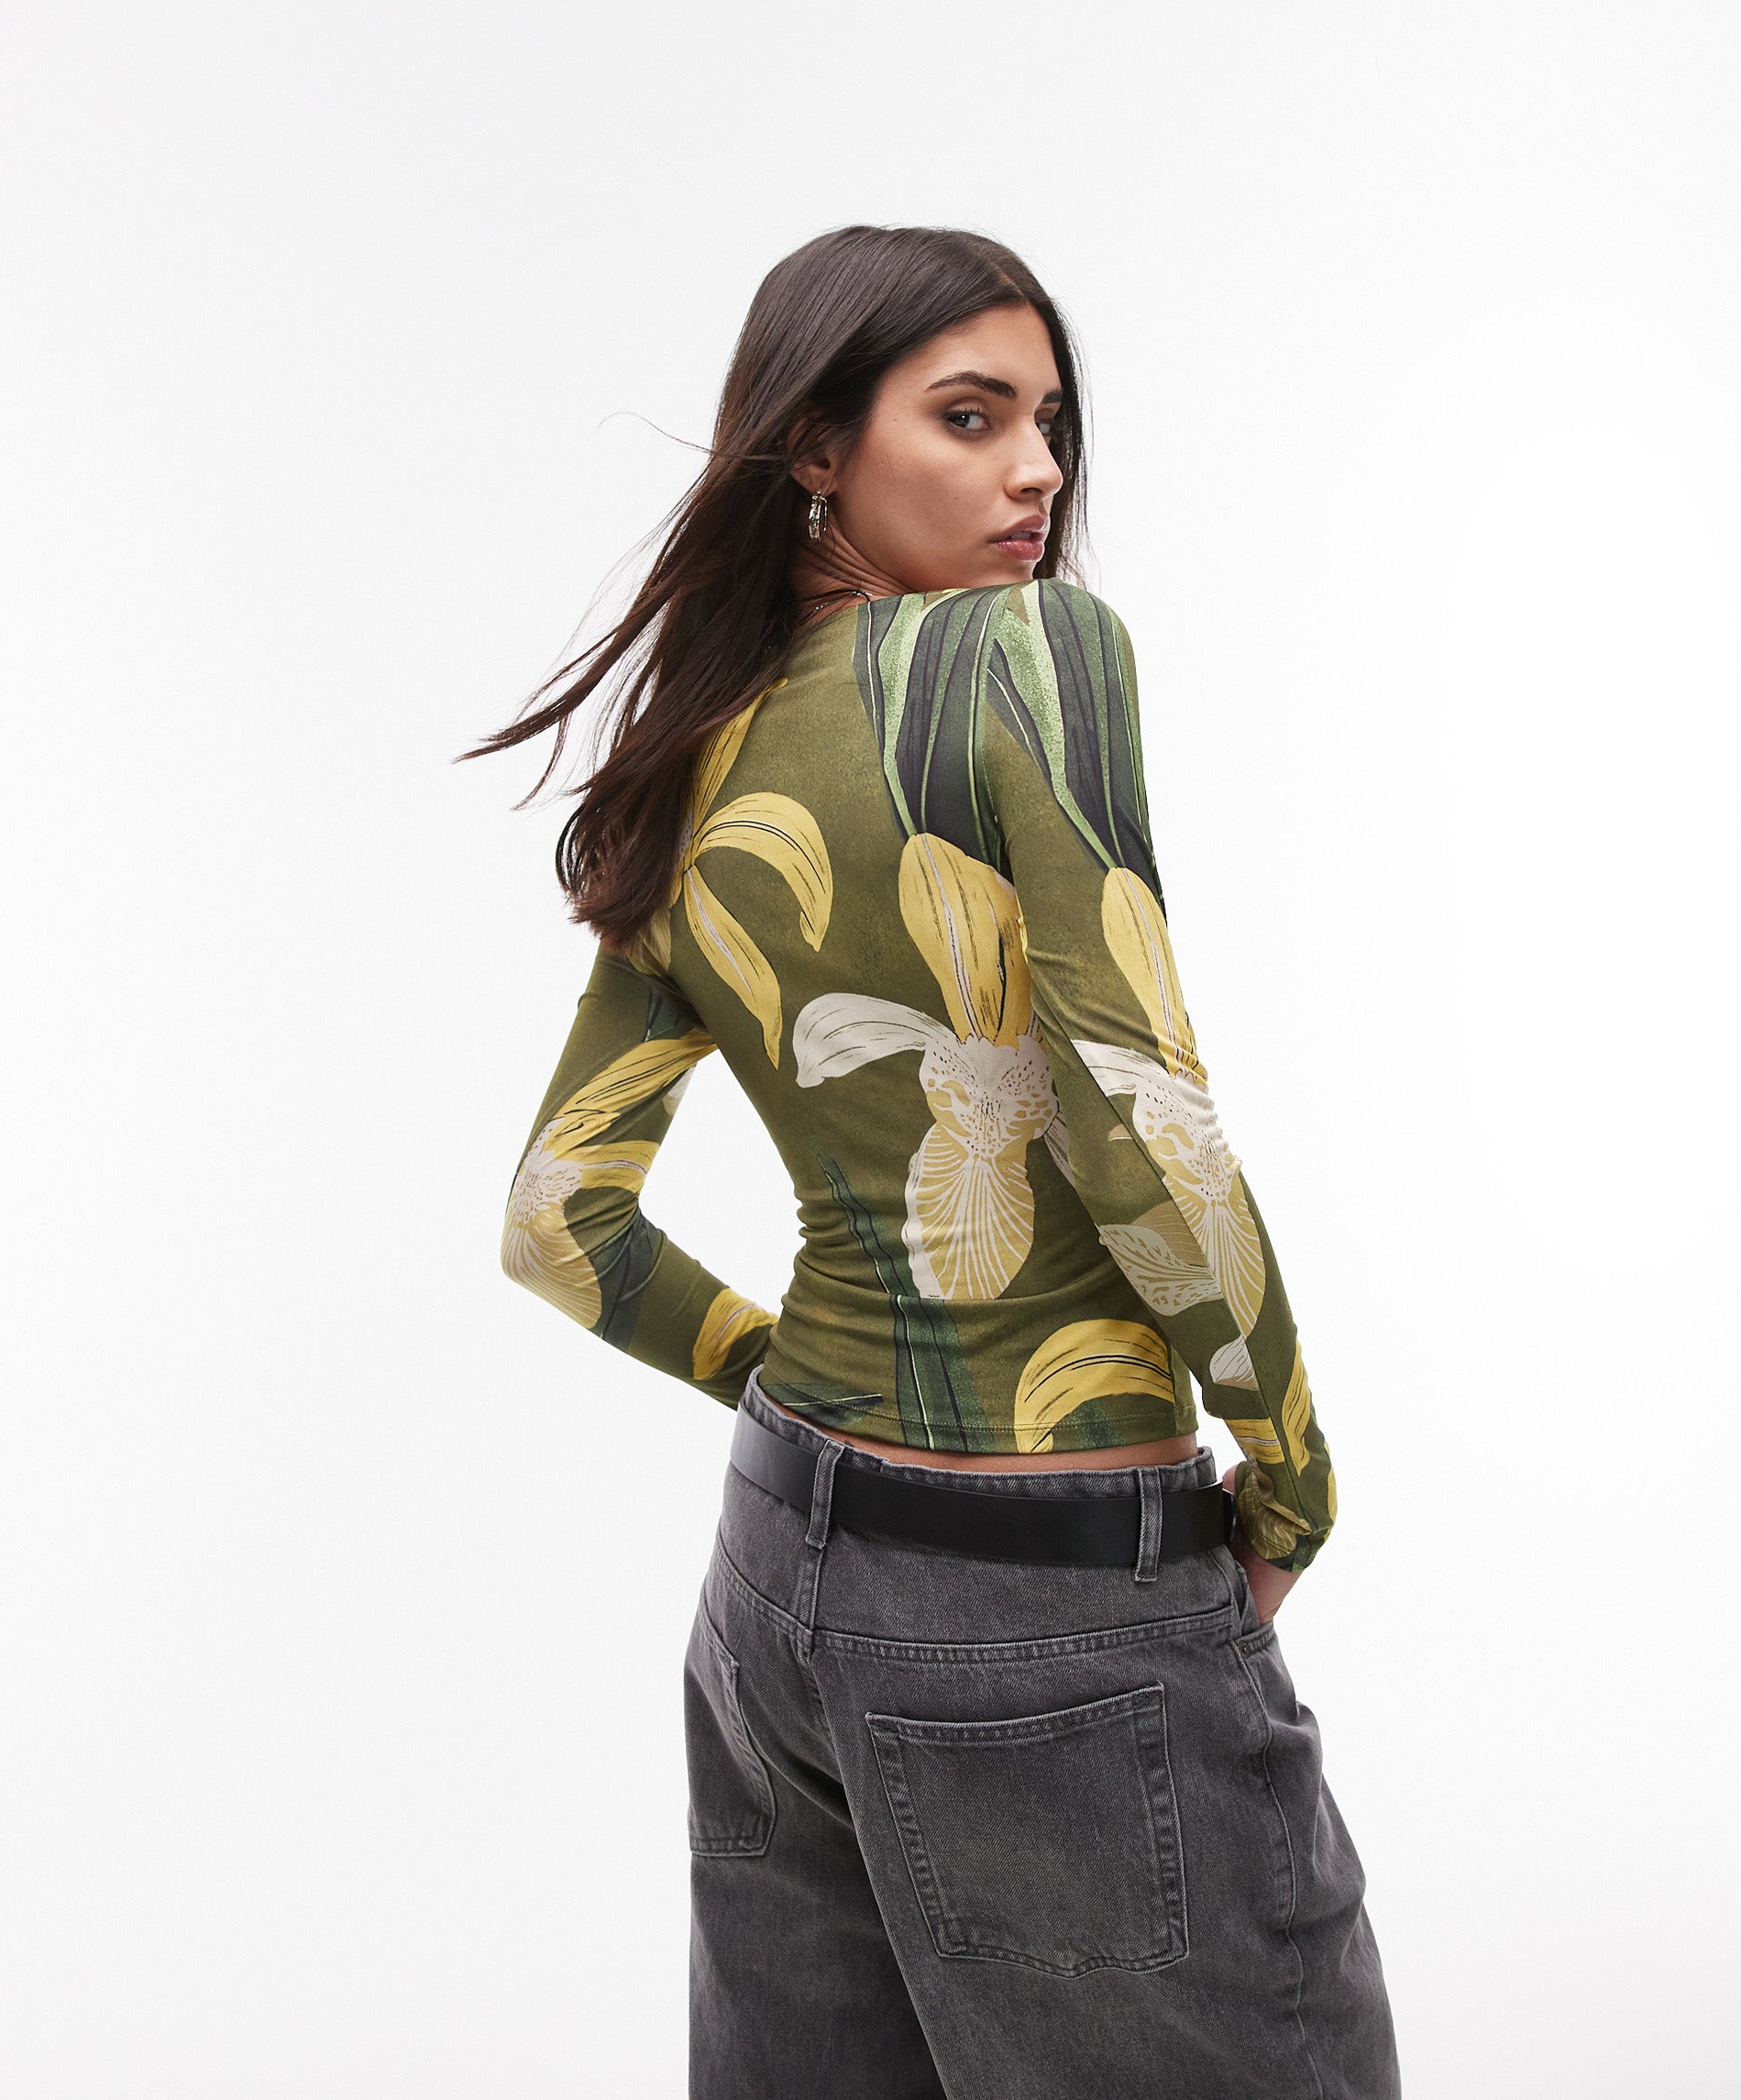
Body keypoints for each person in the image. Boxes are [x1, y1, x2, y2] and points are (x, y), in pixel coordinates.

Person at [464, 226, 1398, 2098]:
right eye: (969, 418)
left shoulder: (695, 751)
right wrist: (1288, 1465)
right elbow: (1131, 1099)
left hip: (775, 1594)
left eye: (1047, 421)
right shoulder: (1030, 653)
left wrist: (801, 1395)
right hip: (1046, 1600)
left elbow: (562, 1224)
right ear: (815, 445)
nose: (1035, 469)